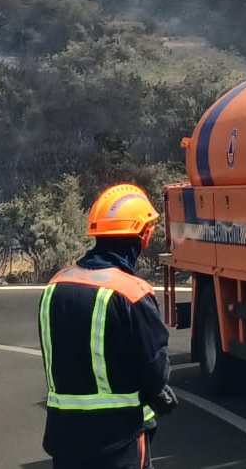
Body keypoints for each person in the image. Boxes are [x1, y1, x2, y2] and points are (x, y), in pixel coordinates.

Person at [38, 182, 176, 469]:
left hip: (64, 438)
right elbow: (155, 371)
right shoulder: (132, 293)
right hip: (116, 440)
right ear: (143, 235)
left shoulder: (56, 285)